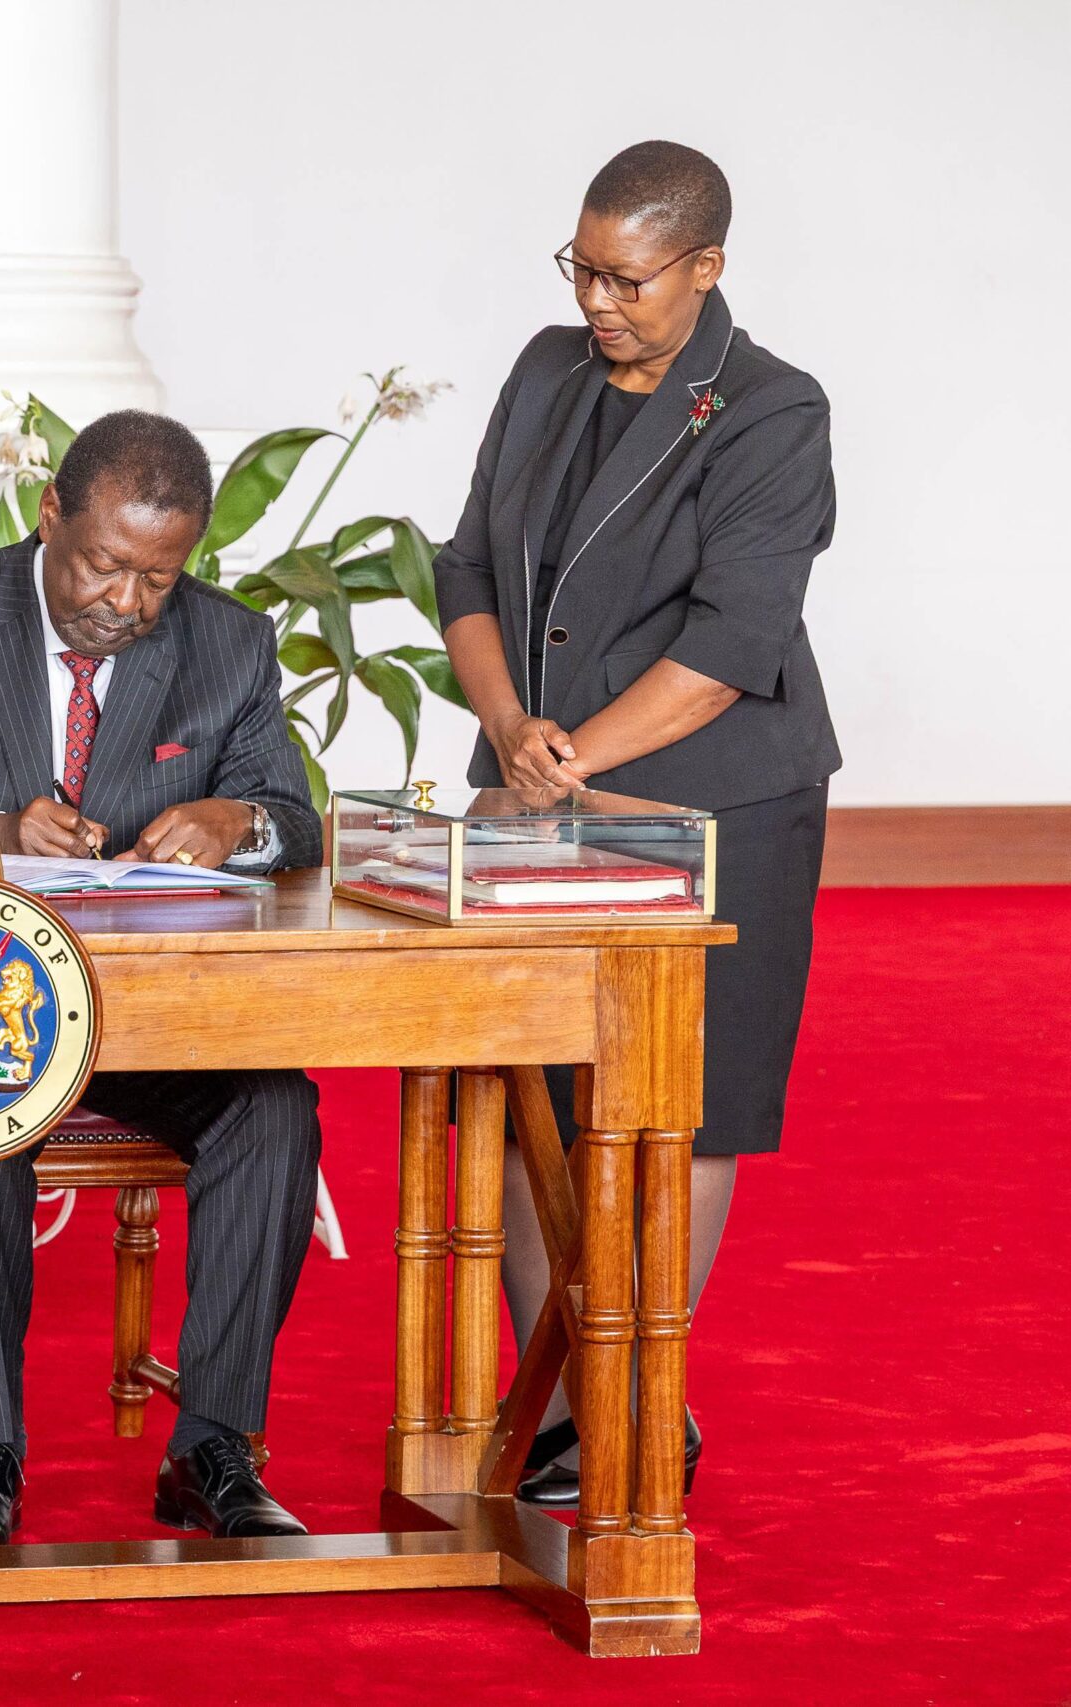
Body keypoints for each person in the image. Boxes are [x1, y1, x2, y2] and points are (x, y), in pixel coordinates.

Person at [0, 409, 322, 1545]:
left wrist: (236, 819)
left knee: (275, 1106)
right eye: (103, 565)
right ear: (50, 517)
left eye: (157, 578)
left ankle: (213, 1448)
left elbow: (294, 815)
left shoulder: (228, 643)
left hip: (146, 1019)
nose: (124, 602)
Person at [432, 140, 837, 1501]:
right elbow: (468, 566)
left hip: (718, 802)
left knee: (682, 1112)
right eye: (582, 268)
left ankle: (638, 1388)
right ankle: (566, 1405)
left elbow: (730, 645)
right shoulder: (546, 368)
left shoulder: (772, 408)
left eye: (627, 278)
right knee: (527, 1105)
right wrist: (510, 729)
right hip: (536, 774)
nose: (596, 300)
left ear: (705, 265)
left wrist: (565, 759)